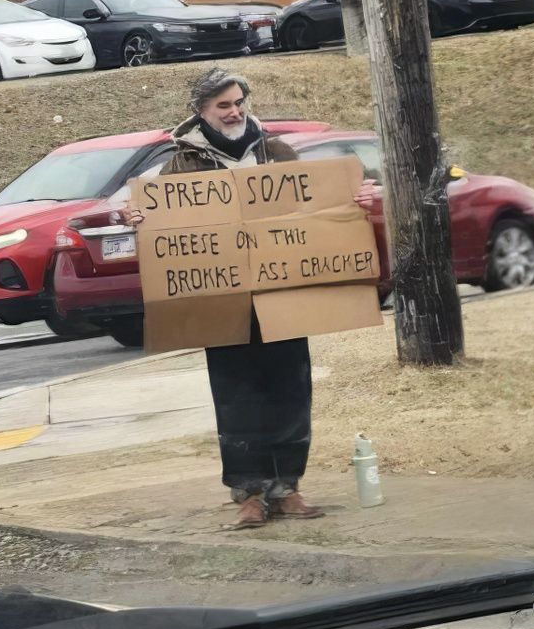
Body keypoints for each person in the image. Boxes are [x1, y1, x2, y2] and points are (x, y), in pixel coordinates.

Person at [125, 67, 379, 530]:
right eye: (223, 105)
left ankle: (287, 489)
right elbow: (156, 219)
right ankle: (248, 494)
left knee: (290, 391)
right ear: (201, 111)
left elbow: (318, 209)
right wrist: (139, 217)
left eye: (239, 101)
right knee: (236, 396)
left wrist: (353, 202)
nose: (234, 111)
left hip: (283, 295)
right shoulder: (180, 164)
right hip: (222, 300)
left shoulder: (276, 152)